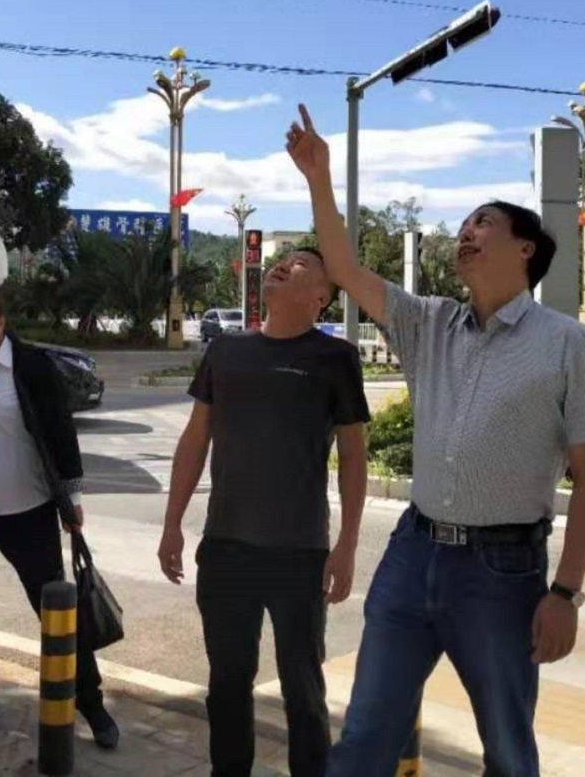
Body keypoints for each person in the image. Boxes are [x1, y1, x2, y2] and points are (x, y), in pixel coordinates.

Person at [285, 103, 585, 777]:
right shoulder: (429, 323)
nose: (466, 232)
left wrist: (565, 593)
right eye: (465, 224)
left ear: (526, 249)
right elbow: (345, 268)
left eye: (484, 222)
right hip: (412, 553)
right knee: (363, 741)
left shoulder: (567, 344)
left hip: (502, 573)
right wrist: (318, 178)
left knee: (507, 750)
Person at [158, 249, 370, 777]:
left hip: (299, 553)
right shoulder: (226, 351)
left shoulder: (335, 357)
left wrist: (346, 545)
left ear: (320, 297)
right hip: (226, 547)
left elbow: (353, 455)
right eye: (283, 259)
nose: (283, 264)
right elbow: (195, 439)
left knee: (303, 687)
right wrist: (171, 525)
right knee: (228, 684)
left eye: (301, 264)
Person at [0, 286, 120, 749]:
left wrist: (71, 498)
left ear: (1, 320)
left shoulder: (31, 365)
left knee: (55, 609)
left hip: (27, 510)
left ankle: (91, 702)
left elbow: (60, 430)